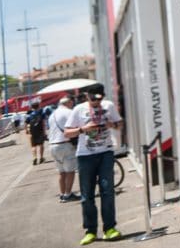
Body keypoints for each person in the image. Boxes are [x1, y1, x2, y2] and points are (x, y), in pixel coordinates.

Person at [64, 85, 123, 245]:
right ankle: (90, 231)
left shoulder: (109, 106)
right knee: (87, 195)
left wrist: (112, 125)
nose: (96, 102)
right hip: (85, 156)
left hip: (105, 153)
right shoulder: (78, 109)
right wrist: (83, 129)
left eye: (99, 99)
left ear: (102, 96)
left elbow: (120, 124)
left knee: (107, 191)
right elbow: (67, 132)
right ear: (87, 96)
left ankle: (110, 228)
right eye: (92, 99)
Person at [48, 96, 79, 202]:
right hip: (65, 145)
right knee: (70, 171)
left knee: (61, 172)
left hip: (53, 146)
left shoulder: (52, 115)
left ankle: (62, 194)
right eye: (72, 102)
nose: (73, 104)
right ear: (69, 102)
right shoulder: (69, 112)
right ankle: (68, 194)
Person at [25, 99, 47, 165]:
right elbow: (43, 123)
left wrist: (26, 130)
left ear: (32, 107)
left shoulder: (29, 114)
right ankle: (41, 158)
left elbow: (26, 123)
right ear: (38, 106)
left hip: (32, 131)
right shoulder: (41, 113)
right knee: (41, 145)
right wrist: (44, 132)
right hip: (40, 131)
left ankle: (34, 158)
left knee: (33, 146)